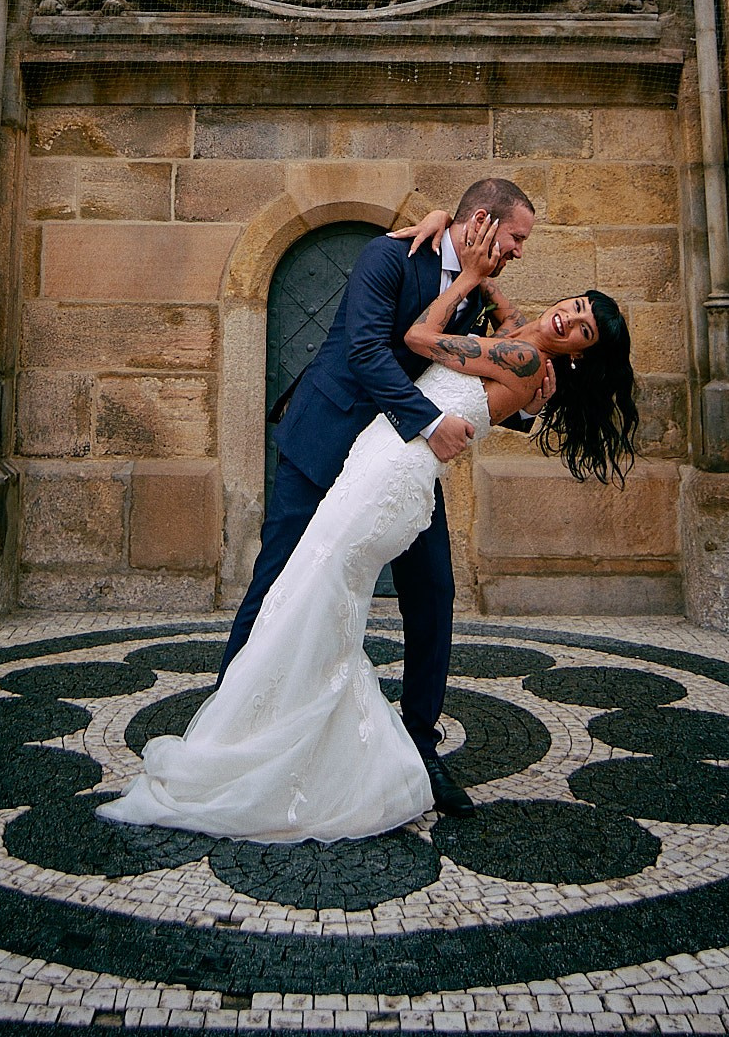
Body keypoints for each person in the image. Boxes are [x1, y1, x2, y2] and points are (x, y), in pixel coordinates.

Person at [100, 204, 637, 847]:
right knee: (279, 585)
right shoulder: (391, 255)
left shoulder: (485, 290)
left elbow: (504, 362)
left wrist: (491, 304)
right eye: (515, 236)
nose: (519, 249)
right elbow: (365, 351)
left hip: (399, 461)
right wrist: (436, 417)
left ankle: (418, 745)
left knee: (432, 595)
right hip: (335, 439)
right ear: (483, 222)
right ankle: (231, 720)